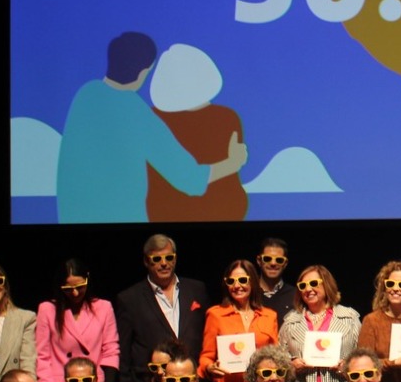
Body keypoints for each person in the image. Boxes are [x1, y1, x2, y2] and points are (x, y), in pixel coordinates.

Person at [56, 30, 246, 223]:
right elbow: (189, 178)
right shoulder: (137, 112)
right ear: (142, 73)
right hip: (121, 222)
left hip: (73, 221)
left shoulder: (86, 94)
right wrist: (233, 163)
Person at [144, 42, 249, 222]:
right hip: (222, 211)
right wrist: (234, 163)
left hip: (163, 212)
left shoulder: (150, 118)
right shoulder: (226, 117)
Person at [116, 234, 208, 382]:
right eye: (157, 259)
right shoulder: (129, 299)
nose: (164, 263)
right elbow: (124, 353)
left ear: (175, 258)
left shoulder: (197, 289)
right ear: (146, 261)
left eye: (169, 257)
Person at [279, 264, 363, 382]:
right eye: (303, 286)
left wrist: (346, 366)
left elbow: (364, 357)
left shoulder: (349, 318)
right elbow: (279, 360)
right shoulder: (290, 322)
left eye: (313, 283)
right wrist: (291, 365)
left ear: (327, 285)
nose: (308, 289)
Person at [36, 258, 119, 382]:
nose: (74, 293)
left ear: (87, 279)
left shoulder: (103, 307)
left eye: (80, 287)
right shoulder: (47, 310)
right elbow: (42, 356)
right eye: (68, 289)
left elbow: (111, 350)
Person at [198, 259, 280, 382]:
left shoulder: (269, 316)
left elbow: (276, 356)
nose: (237, 286)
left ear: (253, 282)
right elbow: (206, 357)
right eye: (231, 281)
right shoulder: (215, 315)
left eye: (242, 280)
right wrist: (210, 367)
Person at [255, 237, 297, 321]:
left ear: (285, 263)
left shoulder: (296, 296)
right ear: (259, 261)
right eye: (267, 259)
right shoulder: (249, 294)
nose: (273, 263)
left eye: (279, 260)